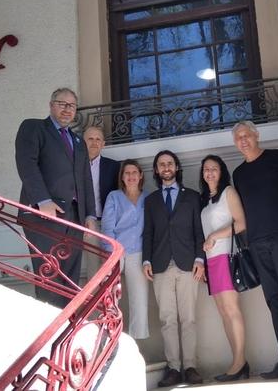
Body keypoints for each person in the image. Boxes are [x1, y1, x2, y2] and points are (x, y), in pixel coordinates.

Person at [231, 120, 278, 380]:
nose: (243, 140)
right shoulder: (239, 174)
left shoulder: (277, 158)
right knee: (274, 301)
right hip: (257, 245)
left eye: (247, 135)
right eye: (238, 137)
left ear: (256, 136)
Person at [15, 87, 96, 308]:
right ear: (51, 105)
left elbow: (86, 179)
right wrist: (42, 201)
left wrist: (89, 214)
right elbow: (26, 164)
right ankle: (51, 329)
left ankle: (68, 329)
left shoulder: (78, 142)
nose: (67, 109)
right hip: (44, 214)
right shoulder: (34, 128)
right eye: (62, 104)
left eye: (72, 106)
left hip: (74, 217)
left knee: (69, 277)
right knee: (49, 272)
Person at [142, 150, 206, 387]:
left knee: (188, 319)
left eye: (170, 163)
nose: (166, 167)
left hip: (188, 264)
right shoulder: (150, 200)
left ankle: (189, 367)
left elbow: (199, 230)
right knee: (167, 319)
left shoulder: (192, 197)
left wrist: (200, 259)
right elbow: (147, 232)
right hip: (159, 266)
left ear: (176, 167)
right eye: (161, 165)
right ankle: (173, 368)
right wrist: (146, 260)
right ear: (157, 171)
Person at [199, 154, 250, 382]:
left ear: (221, 172)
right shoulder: (206, 200)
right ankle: (237, 361)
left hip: (226, 257)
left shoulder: (228, 192)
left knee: (231, 309)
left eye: (214, 169)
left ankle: (240, 361)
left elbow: (241, 223)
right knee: (223, 313)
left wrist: (214, 235)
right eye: (206, 169)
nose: (210, 172)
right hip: (211, 261)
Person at [101, 159, 149, 339]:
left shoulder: (148, 198)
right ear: (122, 177)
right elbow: (107, 227)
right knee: (112, 298)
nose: (131, 176)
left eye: (134, 172)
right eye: (127, 173)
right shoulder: (114, 197)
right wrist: (110, 256)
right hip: (116, 253)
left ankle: (137, 344)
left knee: (139, 300)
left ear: (141, 175)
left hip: (138, 253)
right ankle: (110, 339)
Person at [83, 126, 120, 283]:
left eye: (98, 139)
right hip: (86, 224)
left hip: (109, 224)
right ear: (82, 142)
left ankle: (110, 305)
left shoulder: (114, 166)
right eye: (90, 139)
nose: (94, 142)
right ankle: (95, 307)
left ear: (103, 144)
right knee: (93, 269)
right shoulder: (74, 166)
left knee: (111, 268)